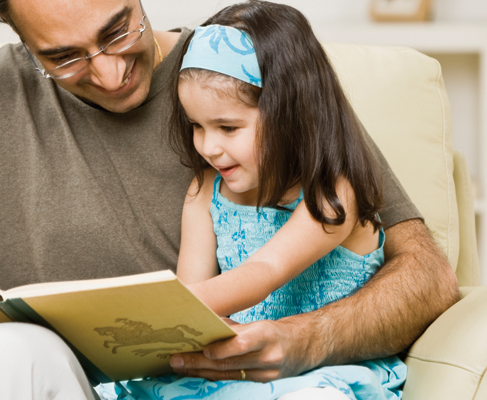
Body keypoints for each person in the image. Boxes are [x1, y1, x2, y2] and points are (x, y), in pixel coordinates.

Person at [0, 0, 458, 398]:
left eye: (117, 30)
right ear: (20, 38)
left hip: (253, 379)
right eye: (65, 57)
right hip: (93, 386)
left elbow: (427, 275)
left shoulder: (249, 76)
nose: (107, 74)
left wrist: (307, 339)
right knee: (11, 349)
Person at [94, 4, 412, 399]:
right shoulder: (204, 191)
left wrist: (154, 310)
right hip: (238, 373)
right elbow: (191, 289)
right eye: (196, 126)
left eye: (228, 127)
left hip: (318, 374)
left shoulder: (331, 194)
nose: (209, 147)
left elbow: (265, 270)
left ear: (292, 115)